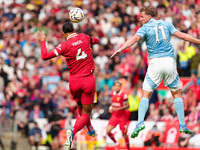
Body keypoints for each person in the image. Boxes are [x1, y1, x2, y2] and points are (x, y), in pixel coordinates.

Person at [110, 7, 200, 138]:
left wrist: (120, 49)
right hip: (169, 62)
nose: (140, 19)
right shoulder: (166, 24)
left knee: (145, 94)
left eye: (142, 17)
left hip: (155, 63)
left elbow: (134, 40)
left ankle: (140, 122)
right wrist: (198, 41)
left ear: (149, 17)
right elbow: (182, 35)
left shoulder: (144, 28)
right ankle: (182, 124)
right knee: (177, 94)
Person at [36, 22, 99, 150]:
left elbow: (44, 56)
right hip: (88, 80)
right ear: (74, 29)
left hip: (74, 82)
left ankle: (90, 128)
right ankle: (73, 132)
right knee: (87, 112)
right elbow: (96, 40)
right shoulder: (84, 37)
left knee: (81, 108)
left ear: (63, 34)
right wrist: (91, 40)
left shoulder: (64, 45)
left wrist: (43, 41)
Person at [107, 80, 130, 150]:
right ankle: (116, 142)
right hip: (114, 116)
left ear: (120, 87)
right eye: (115, 86)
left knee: (124, 134)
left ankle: (128, 148)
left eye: (118, 86)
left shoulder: (124, 95)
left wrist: (119, 108)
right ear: (114, 87)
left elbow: (128, 106)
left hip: (122, 117)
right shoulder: (112, 94)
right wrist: (110, 108)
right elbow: (112, 103)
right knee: (108, 131)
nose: (117, 87)